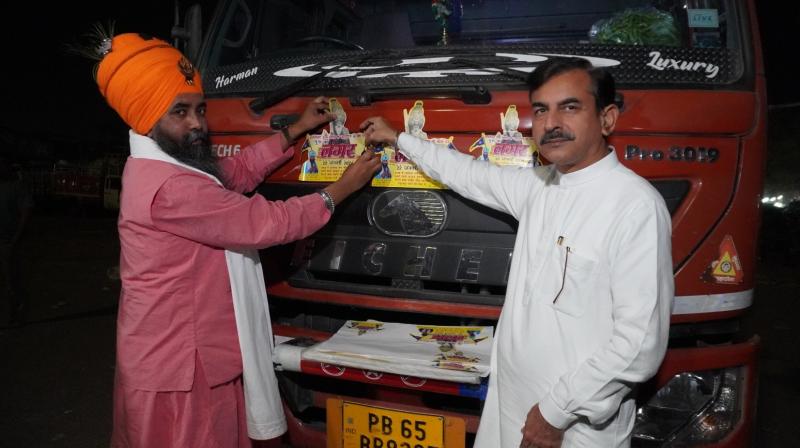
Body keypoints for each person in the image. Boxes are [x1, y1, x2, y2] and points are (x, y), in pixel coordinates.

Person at [82, 32, 380, 447]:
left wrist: (294, 131)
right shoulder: (170, 187)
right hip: (184, 369)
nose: (197, 124)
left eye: (200, 109)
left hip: (183, 357)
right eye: (180, 112)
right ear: (146, 118)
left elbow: (232, 175)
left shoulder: (171, 166)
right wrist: (343, 188)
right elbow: (266, 223)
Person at [361, 57, 673, 448]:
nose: (551, 122)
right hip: (511, 410)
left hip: (573, 429)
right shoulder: (539, 187)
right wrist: (399, 138)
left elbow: (639, 347)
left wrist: (554, 412)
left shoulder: (634, 205)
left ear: (607, 119)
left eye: (570, 107)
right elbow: (465, 172)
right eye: (541, 110)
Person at [0, 158, 34, 327]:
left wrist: (15, 239)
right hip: (8, 240)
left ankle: (16, 314)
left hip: (10, 241)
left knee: (12, 280)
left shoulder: (17, 187)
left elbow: (25, 214)